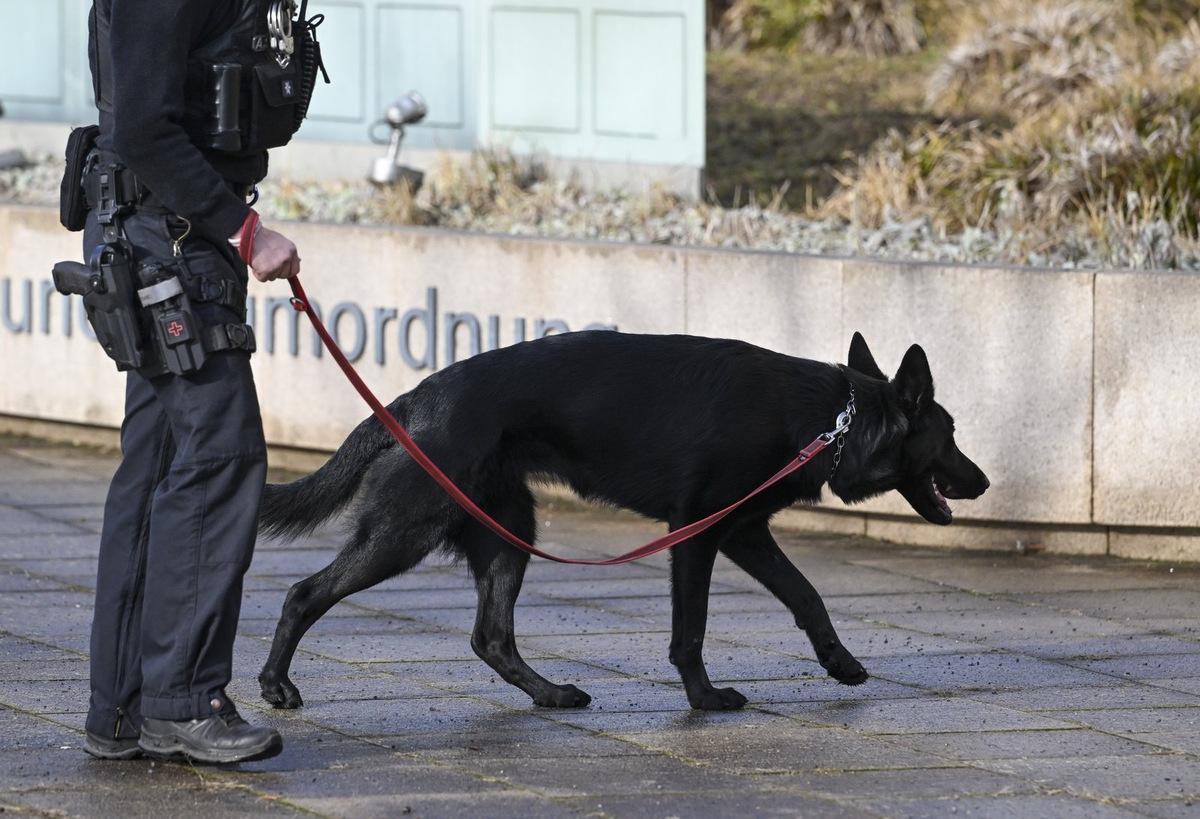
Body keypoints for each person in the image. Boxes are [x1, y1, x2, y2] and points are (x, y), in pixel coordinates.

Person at [76, 0, 319, 764]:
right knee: (222, 456)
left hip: (165, 234)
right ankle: (181, 700)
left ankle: (123, 707)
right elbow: (143, 127)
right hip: (167, 242)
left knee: (155, 469)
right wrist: (243, 229)